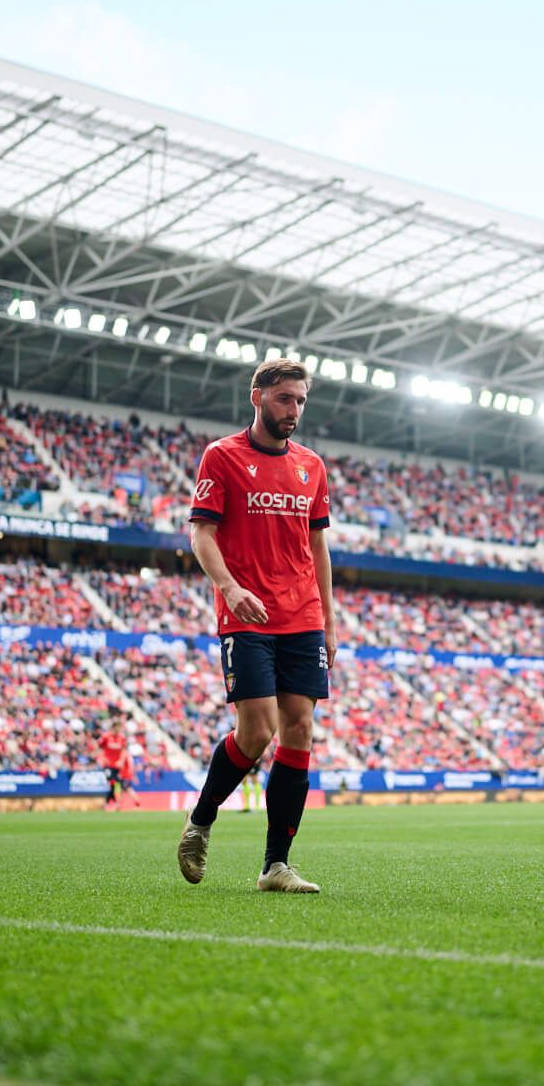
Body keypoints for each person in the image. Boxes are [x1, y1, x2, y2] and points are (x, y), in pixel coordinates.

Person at [176, 358, 335, 895]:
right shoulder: (221, 456)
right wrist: (231, 588)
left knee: (300, 728)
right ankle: (201, 820)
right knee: (258, 730)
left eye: (302, 401)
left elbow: (318, 547)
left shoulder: (312, 466)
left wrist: (329, 623)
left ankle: (276, 866)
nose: (295, 410)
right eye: (286, 399)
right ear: (258, 396)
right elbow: (202, 534)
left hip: (303, 615)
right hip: (247, 614)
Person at [97, 718, 131, 811]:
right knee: (112, 781)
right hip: (107, 764)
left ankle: (109, 803)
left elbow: (124, 750)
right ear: (113, 727)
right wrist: (101, 757)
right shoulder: (106, 736)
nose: (119, 730)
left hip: (117, 765)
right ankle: (114, 803)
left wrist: (121, 760)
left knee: (116, 784)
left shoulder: (122, 738)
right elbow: (98, 747)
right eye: (118, 728)